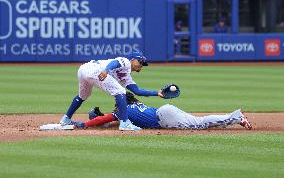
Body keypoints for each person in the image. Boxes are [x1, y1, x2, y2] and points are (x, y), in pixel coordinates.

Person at [60, 52, 164, 131]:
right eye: (140, 62)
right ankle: (125, 123)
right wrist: (106, 70)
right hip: (95, 70)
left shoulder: (126, 76)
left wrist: (156, 93)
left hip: (83, 70)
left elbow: (137, 91)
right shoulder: (126, 62)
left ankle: (66, 119)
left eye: (142, 64)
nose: (141, 65)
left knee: (83, 96)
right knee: (120, 91)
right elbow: (114, 63)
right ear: (132, 59)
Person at [73, 92, 252, 130]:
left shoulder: (122, 111)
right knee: (200, 120)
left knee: (200, 123)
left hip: (164, 118)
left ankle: (235, 117)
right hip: (165, 111)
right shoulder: (132, 106)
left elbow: (102, 120)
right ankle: (234, 117)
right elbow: (107, 120)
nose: (115, 104)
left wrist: (84, 123)